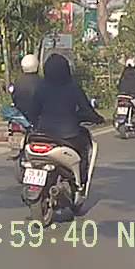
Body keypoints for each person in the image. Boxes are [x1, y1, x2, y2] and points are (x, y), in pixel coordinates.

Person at [24, 54, 106, 192]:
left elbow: (32, 111)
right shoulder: (73, 87)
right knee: (84, 148)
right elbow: (86, 109)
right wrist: (97, 118)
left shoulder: (41, 87)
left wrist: (38, 124)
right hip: (68, 135)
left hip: (43, 134)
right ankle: (80, 183)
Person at [9, 53, 41, 121]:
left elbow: (14, 97)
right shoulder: (41, 81)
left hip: (21, 114)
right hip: (36, 116)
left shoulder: (18, 81)